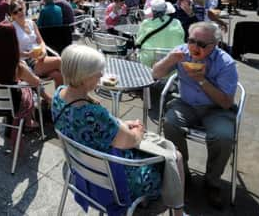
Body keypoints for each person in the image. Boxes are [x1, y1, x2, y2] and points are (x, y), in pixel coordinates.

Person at [53, 45, 186, 216]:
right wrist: (137, 129)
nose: (101, 75)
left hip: (83, 170)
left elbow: (100, 127)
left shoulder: (58, 95)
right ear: (83, 77)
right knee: (176, 158)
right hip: (114, 181)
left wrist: (119, 125)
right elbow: (132, 141)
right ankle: (178, 212)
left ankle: (153, 203)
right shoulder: (93, 114)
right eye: (97, 72)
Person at [153, 22, 238, 209]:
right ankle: (183, 175)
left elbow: (226, 102)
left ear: (214, 45)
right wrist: (169, 59)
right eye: (192, 41)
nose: (195, 47)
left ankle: (212, 182)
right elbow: (156, 74)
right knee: (170, 124)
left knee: (223, 137)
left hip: (216, 109)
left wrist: (202, 81)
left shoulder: (225, 63)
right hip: (186, 104)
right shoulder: (181, 52)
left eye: (201, 44)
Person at [0, 22, 51, 129]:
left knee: (19, 85)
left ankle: (22, 121)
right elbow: (36, 83)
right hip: (13, 107)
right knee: (28, 88)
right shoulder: (17, 66)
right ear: (13, 40)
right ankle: (30, 122)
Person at [9, 0, 63, 87]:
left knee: (58, 75)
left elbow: (40, 41)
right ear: (12, 16)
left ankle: (59, 99)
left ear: (23, 9)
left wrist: (44, 51)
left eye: (20, 9)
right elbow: (10, 51)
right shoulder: (11, 28)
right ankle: (77, 90)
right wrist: (28, 54)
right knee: (59, 61)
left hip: (40, 57)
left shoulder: (31, 23)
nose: (19, 12)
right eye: (15, 12)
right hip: (26, 61)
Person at [136, 0, 185, 67]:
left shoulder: (146, 23)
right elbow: (181, 40)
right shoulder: (176, 22)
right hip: (172, 62)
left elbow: (138, 42)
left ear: (152, 10)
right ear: (166, 10)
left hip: (149, 62)